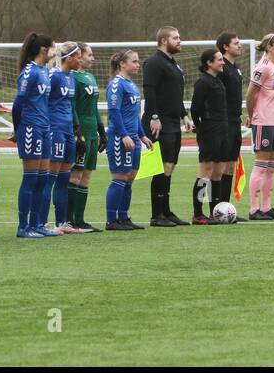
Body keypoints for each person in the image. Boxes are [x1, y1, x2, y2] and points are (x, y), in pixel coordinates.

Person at [142, 26, 194, 227]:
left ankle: (166, 211)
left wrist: (184, 115)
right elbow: (150, 90)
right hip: (160, 122)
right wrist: (154, 116)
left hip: (173, 122)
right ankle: (157, 215)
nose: (179, 41)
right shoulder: (154, 62)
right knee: (161, 168)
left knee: (170, 167)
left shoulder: (173, 64)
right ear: (164, 41)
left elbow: (174, 94)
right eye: (175, 38)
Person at [13, 32, 58, 238]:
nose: (55, 52)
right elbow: (18, 105)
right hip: (31, 129)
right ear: (44, 50)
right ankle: (23, 227)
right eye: (53, 47)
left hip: (45, 128)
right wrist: (18, 129)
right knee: (30, 179)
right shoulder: (29, 72)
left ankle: (37, 223)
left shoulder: (44, 72)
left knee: (42, 179)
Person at [106, 49, 151, 230]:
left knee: (130, 178)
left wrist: (142, 135)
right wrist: (124, 135)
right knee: (119, 177)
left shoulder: (131, 85)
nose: (138, 65)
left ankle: (124, 217)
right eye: (134, 61)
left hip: (133, 138)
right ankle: (111, 220)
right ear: (122, 64)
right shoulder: (116, 85)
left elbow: (134, 115)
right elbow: (114, 113)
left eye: (138, 61)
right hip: (120, 138)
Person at [246, 33, 274, 220]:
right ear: (269, 47)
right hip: (263, 120)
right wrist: (251, 115)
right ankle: (254, 209)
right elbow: (250, 94)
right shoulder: (262, 67)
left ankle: (267, 206)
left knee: (271, 167)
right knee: (261, 165)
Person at [47, 42, 86, 233]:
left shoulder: (71, 78)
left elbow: (70, 107)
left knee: (64, 178)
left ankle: (61, 222)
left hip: (68, 132)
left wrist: (77, 131)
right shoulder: (53, 76)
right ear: (69, 57)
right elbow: (42, 103)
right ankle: (41, 222)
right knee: (51, 178)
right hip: (55, 131)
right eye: (78, 56)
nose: (80, 59)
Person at [65, 45, 103, 232]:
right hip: (81, 134)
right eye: (89, 54)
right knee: (75, 175)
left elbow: (94, 107)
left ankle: (80, 219)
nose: (92, 58)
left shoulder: (91, 77)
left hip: (92, 133)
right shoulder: (72, 78)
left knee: (86, 177)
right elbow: (72, 106)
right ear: (78, 57)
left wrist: (101, 129)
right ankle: (69, 219)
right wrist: (77, 130)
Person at [190, 49, 228, 224]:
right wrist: (201, 129)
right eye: (219, 60)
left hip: (222, 130)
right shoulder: (203, 83)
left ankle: (215, 212)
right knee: (205, 173)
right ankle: (198, 213)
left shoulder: (218, 81)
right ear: (209, 63)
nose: (222, 62)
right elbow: (195, 109)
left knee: (218, 173)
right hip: (209, 131)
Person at [215, 32, 245, 218]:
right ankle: (216, 208)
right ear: (226, 46)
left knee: (230, 166)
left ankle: (225, 208)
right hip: (224, 123)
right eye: (236, 43)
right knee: (220, 167)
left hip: (235, 120)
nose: (239, 46)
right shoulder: (222, 68)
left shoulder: (236, 68)